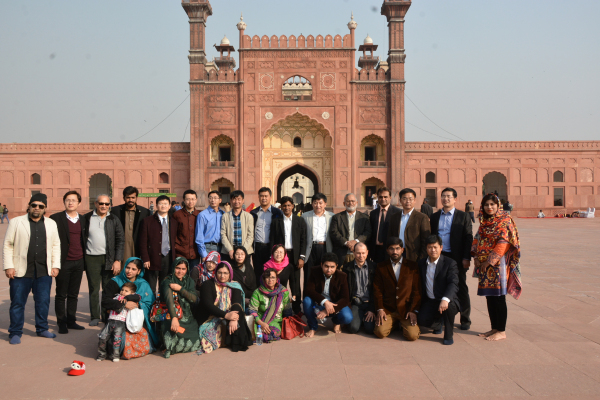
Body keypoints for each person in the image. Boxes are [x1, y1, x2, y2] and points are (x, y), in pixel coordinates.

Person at [3, 193, 60, 344]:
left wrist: (55, 265)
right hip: (20, 271)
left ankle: (42, 328)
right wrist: (9, 266)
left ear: (45, 208)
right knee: (17, 302)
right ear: (29, 206)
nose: (37, 208)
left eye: (41, 206)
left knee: (43, 301)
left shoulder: (51, 224)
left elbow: (56, 245)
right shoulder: (16, 222)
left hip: (43, 270)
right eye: (34, 205)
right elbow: (8, 244)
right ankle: (15, 332)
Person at [472, 194, 522, 341]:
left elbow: (503, 243)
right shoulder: (484, 222)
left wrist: (489, 261)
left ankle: (501, 331)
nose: (489, 207)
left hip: (498, 266)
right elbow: (477, 239)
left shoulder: (504, 220)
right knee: (490, 297)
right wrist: (476, 257)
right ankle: (494, 328)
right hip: (484, 266)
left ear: (498, 205)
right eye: (486, 204)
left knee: (499, 298)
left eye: (492, 204)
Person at [429, 187, 473, 330]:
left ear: (455, 199)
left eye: (448, 196)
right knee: (439, 286)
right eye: (443, 196)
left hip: (457, 256)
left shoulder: (463, 216)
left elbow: (468, 238)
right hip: (440, 256)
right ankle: (440, 318)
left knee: (460, 286)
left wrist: (466, 257)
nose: (445, 199)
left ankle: (465, 319)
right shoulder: (435, 217)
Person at [102, 257, 159, 359]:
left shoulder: (143, 284)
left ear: (139, 271)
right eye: (127, 268)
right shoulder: (115, 281)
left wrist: (137, 305)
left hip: (137, 320)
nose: (129, 271)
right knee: (116, 346)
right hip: (118, 321)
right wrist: (124, 304)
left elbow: (150, 303)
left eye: (133, 269)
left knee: (146, 341)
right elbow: (105, 301)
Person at [84, 194, 125, 326]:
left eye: (106, 204)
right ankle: (95, 316)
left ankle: (106, 315)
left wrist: (118, 260)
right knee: (94, 288)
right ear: (95, 204)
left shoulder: (114, 219)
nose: (104, 206)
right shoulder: (87, 218)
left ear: (109, 205)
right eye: (101, 203)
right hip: (92, 258)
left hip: (110, 258)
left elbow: (120, 240)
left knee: (109, 289)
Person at [50, 191, 87, 334]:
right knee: (61, 294)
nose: (70, 203)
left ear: (79, 203)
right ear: (64, 202)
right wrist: (54, 263)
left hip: (79, 261)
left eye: (73, 200)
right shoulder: (56, 218)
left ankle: (71, 320)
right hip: (63, 262)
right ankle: (61, 322)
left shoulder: (83, 219)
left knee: (73, 294)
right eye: (68, 200)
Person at [198, 261, 252, 354]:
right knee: (232, 318)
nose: (222, 276)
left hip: (228, 314)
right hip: (211, 316)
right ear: (215, 272)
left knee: (239, 313)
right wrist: (226, 315)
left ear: (230, 274)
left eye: (225, 273)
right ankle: (229, 341)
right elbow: (208, 305)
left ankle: (236, 343)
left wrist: (233, 318)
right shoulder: (208, 284)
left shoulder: (235, 285)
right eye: (219, 272)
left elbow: (236, 303)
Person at [373, 237, 421, 341]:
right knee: (380, 332)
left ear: (402, 250)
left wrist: (413, 310)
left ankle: (400, 324)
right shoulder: (381, 267)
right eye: (391, 249)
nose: (395, 252)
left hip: (406, 310)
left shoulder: (412, 266)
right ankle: (394, 324)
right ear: (387, 250)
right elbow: (377, 290)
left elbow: (417, 291)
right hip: (388, 309)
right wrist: (380, 309)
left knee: (412, 336)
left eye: (397, 248)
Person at [417, 235, 460, 345]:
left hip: (446, 300)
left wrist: (445, 299)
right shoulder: (421, 263)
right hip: (430, 301)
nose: (433, 250)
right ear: (426, 249)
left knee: (449, 307)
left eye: (435, 247)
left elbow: (453, 283)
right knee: (421, 320)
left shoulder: (450, 263)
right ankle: (437, 323)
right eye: (430, 247)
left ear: (441, 247)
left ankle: (448, 335)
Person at [269, 196, 307, 314]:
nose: (286, 208)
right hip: (281, 256)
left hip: (295, 255)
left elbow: (303, 240)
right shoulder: (276, 222)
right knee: (281, 281)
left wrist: (301, 257)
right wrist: (273, 256)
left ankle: (296, 308)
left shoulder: (299, 221)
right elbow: (272, 240)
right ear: (281, 207)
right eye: (284, 206)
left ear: (293, 206)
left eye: (289, 205)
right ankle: (281, 307)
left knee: (295, 283)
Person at [303, 252, 353, 337]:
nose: (329, 270)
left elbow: (345, 298)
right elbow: (309, 290)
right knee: (306, 301)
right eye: (326, 266)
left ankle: (336, 321)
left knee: (347, 317)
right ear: (321, 265)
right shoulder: (315, 271)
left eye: (332, 267)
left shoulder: (342, 276)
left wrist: (327, 310)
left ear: (336, 266)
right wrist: (325, 302)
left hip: (334, 305)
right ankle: (313, 327)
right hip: (318, 304)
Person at [159, 258, 201, 358]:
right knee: (172, 332)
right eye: (178, 268)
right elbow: (169, 300)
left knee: (196, 338)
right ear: (173, 267)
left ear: (187, 269)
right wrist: (174, 318)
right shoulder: (167, 281)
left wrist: (180, 289)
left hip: (187, 316)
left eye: (183, 269)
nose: (180, 271)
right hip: (170, 314)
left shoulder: (189, 281)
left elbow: (194, 299)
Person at [138, 195, 178, 294]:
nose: (163, 206)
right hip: (152, 257)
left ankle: (162, 304)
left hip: (168, 257)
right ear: (156, 205)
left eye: (165, 204)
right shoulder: (147, 221)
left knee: (164, 286)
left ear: (169, 206)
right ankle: (150, 303)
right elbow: (142, 242)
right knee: (150, 286)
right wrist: (145, 258)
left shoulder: (174, 222)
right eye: (160, 204)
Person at [97, 281, 141, 362]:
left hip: (120, 322)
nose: (123, 292)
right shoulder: (115, 298)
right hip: (110, 321)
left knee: (117, 340)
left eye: (126, 291)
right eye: (122, 290)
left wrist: (127, 298)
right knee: (102, 337)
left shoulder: (131, 300)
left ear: (132, 293)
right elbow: (107, 303)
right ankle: (102, 354)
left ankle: (115, 356)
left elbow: (138, 297)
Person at [388, 188, 431, 269]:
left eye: (410, 199)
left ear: (415, 200)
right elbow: (390, 236)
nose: (408, 201)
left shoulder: (422, 217)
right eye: (404, 198)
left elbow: (425, 240)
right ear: (400, 200)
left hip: (413, 256)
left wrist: (421, 259)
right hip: (396, 254)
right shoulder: (394, 217)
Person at [249, 268, 292, 343]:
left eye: (273, 277)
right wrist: (262, 324)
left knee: (272, 332)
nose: (270, 280)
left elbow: (287, 310)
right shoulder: (257, 292)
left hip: (276, 321)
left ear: (277, 279)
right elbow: (252, 311)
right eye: (267, 277)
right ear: (263, 279)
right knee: (251, 333)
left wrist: (288, 325)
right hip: (260, 320)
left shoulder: (283, 292)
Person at [110, 186, 151, 263]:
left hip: (137, 246)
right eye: (128, 197)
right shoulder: (115, 211)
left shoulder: (144, 212)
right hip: (121, 248)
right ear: (124, 198)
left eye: (133, 197)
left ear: (136, 198)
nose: (130, 200)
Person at [302, 193, 334, 289]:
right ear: (312, 204)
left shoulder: (332, 216)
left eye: (320, 203)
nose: (318, 205)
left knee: (324, 274)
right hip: (310, 249)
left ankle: (322, 297)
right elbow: (302, 235)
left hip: (325, 248)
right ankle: (308, 297)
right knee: (309, 275)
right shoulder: (305, 216)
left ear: (325, 204)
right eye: (315, 203)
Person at [251, 187, 283, 284]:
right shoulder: (254, 213)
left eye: (266, 196)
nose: (264, 198)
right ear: (258, 197)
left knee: (270, 273)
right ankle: (259, 291)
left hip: (270, 247)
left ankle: (270, 291)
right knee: (258, 272)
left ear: (270, 197)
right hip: (257, 247)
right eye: (261, 196)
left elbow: (280, 232)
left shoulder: (277, 213)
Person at [343, 243, 376, 335]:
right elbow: (345, 289)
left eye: (363, 253)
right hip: (355, 303)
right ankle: (359, 319)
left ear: (367, 252)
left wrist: (372, 309)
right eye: (358, 253)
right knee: (353, 328)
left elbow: (376, 290)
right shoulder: (347, 268)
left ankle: (364, 320)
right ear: (353, 252)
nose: (361, 256)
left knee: (370, 329)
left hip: (370, 303)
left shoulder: (374, 267)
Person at [330, 193, 371, 265]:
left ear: (357, 203)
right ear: (344, 203)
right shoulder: (337, 217)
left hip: (359, 254)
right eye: (348, 201)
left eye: (353, 201)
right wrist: (346, 243)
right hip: (342, 253)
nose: (350, 203)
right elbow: (334, 232)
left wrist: (356, 242)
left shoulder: (364, 217)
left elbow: (368, 232)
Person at [368, 187, 401, 264]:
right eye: (380, 197)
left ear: (390, 197)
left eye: (385, 197)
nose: (383, 199)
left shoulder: (397, 212)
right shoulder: (373, 213)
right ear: (377, 198)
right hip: (376, 250)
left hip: (391, 249)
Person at [220, 190, 254, 263]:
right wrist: (230, 250)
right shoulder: (225, 216)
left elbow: (250, 236)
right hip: (229, 252)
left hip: (245, 251)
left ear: (243, 200)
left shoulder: (249, 216)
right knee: (228, 270)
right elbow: (223, 235)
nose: (236, 201)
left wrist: (242, 251)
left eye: (239, 199)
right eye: (234, 199)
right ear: (231, 201)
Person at [173, 189, 201, 268]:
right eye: (188, 199)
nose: (190, 201)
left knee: (193, 274)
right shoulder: (177, 215)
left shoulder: (200, 215)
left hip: (195, 253)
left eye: (193, 199)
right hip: (180, 252)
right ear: (184, 200)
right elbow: (173, 233)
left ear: (196, 200)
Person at [195, 190, 223, 262]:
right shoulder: (202, 215)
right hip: (208, 248)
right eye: (210, 198)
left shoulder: (223, 214)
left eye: (215, 198)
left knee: (220, 269)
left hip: (222, 248)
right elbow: (199, 236)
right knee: (209, 268)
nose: (213, 200)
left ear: (220, 200)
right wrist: (203, 254)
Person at [231, 246, 257, 310]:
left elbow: (254, 286)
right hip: (237, 300)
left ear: (245, 255)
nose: (239, 256)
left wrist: (251, 299)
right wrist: (243, 299)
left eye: (242, 254)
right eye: (237, 254)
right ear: (234, 255)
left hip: (251, 299)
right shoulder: (231, 270)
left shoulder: (249, 268)